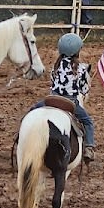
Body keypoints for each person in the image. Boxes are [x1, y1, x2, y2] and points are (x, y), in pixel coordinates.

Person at [32, 32, 95, 161]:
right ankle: (89, 147)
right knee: (88, 122)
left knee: (32, 111)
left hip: (52, 99)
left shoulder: (55, 67)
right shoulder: (82, 68)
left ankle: (19, 136)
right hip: (70, 102)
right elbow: (83, 89)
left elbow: (52, 82)